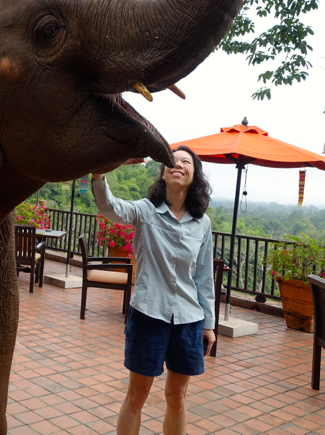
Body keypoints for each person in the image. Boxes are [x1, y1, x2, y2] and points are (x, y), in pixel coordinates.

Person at [91, 146, 215, 435]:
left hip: (188, 319)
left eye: (186, 161)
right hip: (149, 313)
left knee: (177, 397)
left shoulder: (203, 223)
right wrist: (98, 173)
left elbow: (203, 277)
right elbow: (110, 207)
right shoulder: (146, 211)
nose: (178, 164)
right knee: (136, 396)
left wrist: (208, 324)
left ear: (194, 175)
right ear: (163, 172)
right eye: (172, 161)